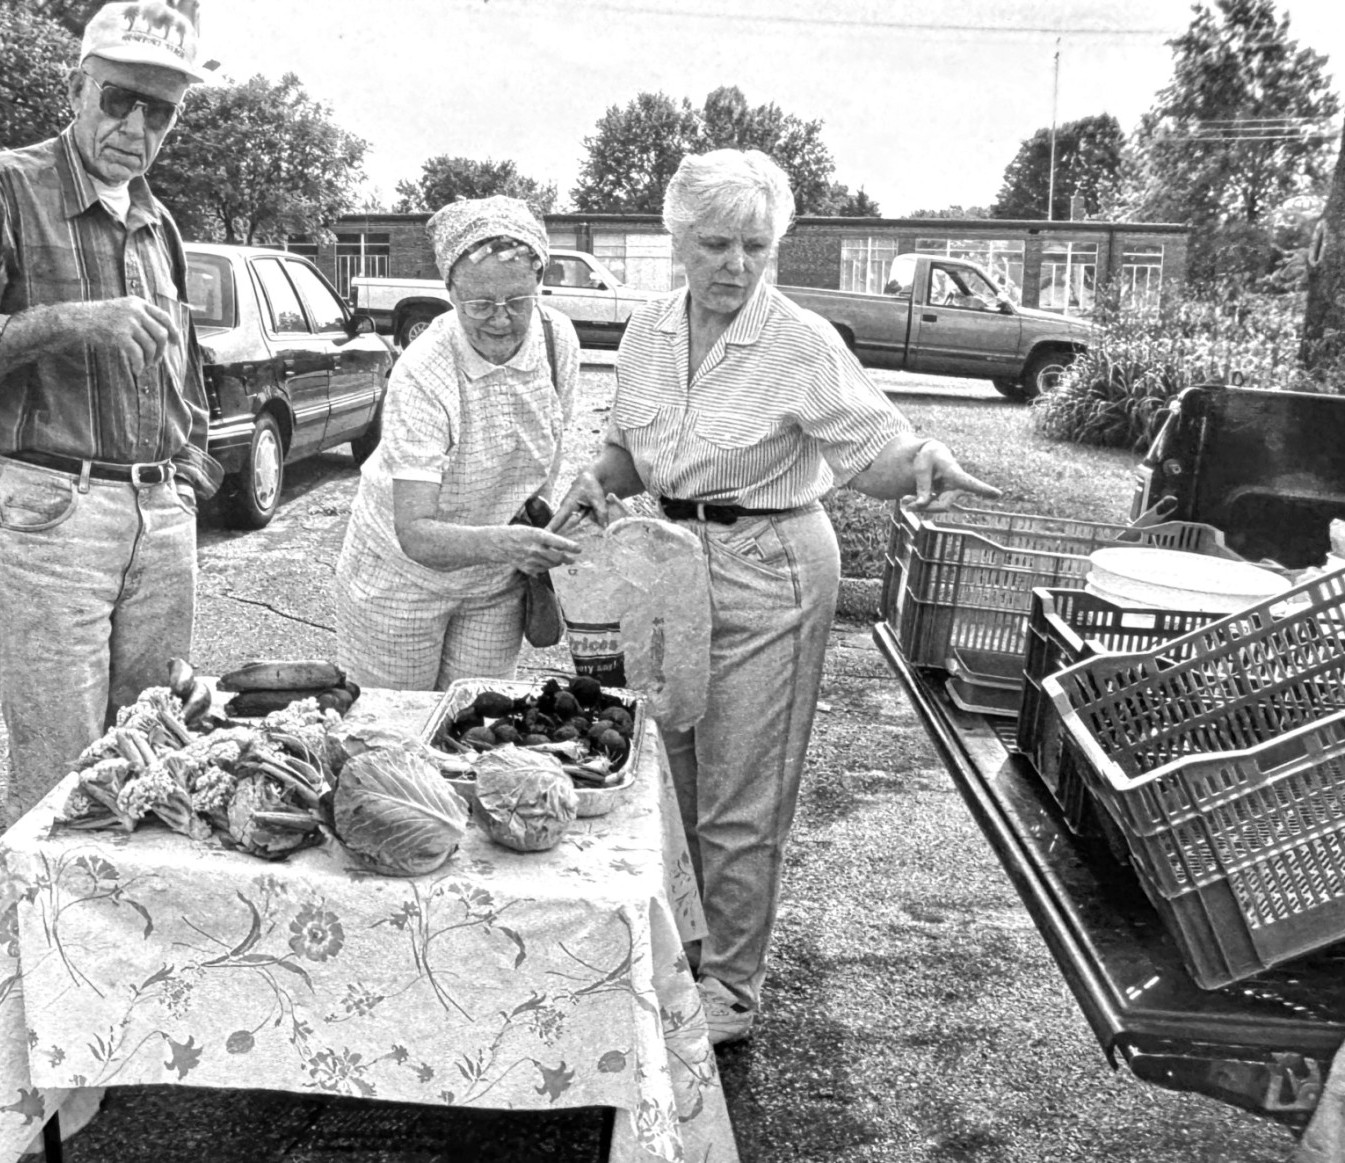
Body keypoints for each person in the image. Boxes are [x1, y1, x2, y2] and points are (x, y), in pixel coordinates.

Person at [550, 149, 1000, 1046]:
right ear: (676, 239)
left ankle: (729, 990)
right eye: (715, 243)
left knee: (739, 791)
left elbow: (872, 452)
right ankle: (673, 956)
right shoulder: (645, 333)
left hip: (770, 567)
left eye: (756, 245)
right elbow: (630, 452)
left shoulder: (798, 340)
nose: (735, 265)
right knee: (666, 771)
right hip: (665, 561)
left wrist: (922, 464)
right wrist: (598, 483)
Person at [0, 0, 219, 823]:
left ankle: (128, 945)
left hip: (159, 513)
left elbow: (179, 370)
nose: (136, 126)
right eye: (119, 99)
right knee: (62, 777)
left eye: (161, 111)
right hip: (53, 511)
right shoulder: (4, 184)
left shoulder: (157, 221)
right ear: (77, 88)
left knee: (155, 750)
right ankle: (43, 946)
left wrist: (187, 479)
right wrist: (75, 320)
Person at [333, 195, 583, 691]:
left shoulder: (558, 344)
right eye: (478, 304)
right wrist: (508, 544)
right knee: (394, 732)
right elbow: (417, 532)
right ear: (449, 291)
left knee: (478, 731)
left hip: (493, 584)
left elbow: (545, 465)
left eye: (518, 301)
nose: (499, 319)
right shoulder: (424, 371)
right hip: (400, 580)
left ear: (540, 285)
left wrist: (543, 528)